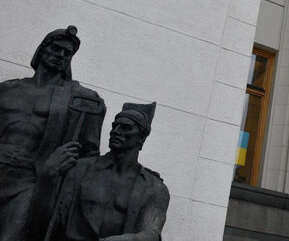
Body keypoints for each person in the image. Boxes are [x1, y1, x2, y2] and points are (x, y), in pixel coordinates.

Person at [0, 26, 106, 241]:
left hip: (29, 181)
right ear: (42, 50)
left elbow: (89, 154)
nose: (61, 55)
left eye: (67, 53)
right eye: (56, 49)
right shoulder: (7, 89)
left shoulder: (81, 100)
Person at [32, 102, 169, 241]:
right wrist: (46, 179)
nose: (116, 131)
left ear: (141, 138)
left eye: (126, 128)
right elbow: (49, 221)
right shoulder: (78, 168)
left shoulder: (155, 188)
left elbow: (152, 233)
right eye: (114, 126)